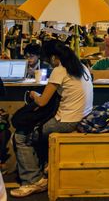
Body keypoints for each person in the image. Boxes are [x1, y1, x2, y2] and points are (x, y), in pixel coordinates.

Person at [11, 41, 93, 198]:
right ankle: (44, 169)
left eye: (48, 59)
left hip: (67, 121)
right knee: (37, 132)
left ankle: (33, 181)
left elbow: (42, 102)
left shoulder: (60, 70)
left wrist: (34, 94)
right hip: (83, 116)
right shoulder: (82, 67)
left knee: (21, 136)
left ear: (55, 57)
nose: (49, 62)